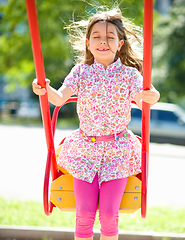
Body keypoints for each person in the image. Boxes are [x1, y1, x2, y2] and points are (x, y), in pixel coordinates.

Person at [32, 7, 160, 240]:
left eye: (110, 37)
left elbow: (144, 100)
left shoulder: (130, 75)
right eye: (97, 37)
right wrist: (44, 89)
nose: (103, 42)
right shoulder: (81, 72)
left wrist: (153, 96)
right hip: (85, 150)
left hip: (117, 151)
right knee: (85, 214)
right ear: (88, 44)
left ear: (120, 44)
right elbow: (59, 98)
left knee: (110, 215)